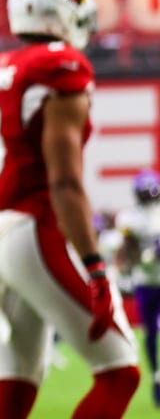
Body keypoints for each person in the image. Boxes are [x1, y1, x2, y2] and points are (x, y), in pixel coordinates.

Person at [0, 0, 140, 419]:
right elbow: (64, 181)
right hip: (35, 229)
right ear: (54, 9)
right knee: (120, 373)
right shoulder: (60, 67)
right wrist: (95, 267)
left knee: (14, 392)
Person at [114, 168, 160, 405]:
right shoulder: (130, 219)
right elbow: (126, 256)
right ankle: (156, 375)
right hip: (145, 281)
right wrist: (144, 254)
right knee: (151, 332)